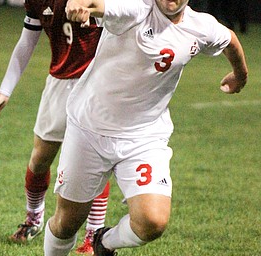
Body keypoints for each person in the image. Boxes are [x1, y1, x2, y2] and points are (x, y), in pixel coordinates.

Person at [43, 0, 248, 255]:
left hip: (144, 137)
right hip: (89, 128)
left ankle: (104, 243)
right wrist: (78, 4)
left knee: (153, 221)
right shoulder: (135, 8)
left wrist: (240, 75)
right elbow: (97, 4)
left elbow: (229, 39)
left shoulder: (200, 26)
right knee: (66, 223)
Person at [0, 0, 110, 253]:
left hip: (96, 85)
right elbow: (26, 42)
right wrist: (4, 91)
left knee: (93, 162)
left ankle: (93, 235)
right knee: (40, 159)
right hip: (59, 83)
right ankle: (34, 218)